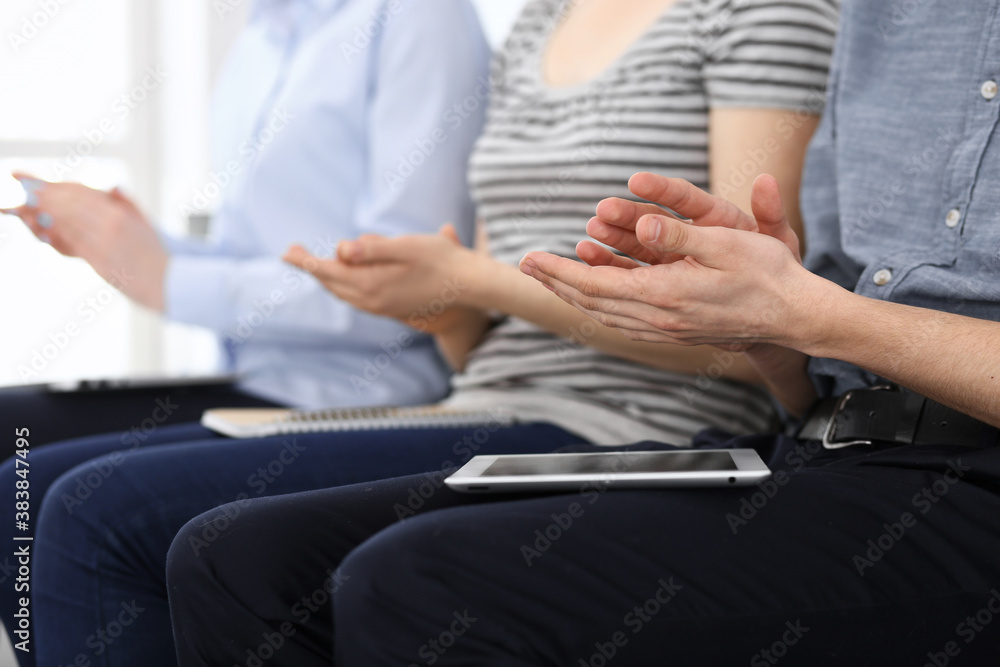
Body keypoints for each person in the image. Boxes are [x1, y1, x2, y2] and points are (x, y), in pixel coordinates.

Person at [166, 1, 1000, 665]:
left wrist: (806, 313)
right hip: (823, 445)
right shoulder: (881, 17)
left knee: (414, 583)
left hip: (954, 476)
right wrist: (772, 331)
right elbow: (801, 372)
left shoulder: (768, 15)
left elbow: (811, 322)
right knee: (234, 557)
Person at [7, 0, 837, 664]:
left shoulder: (762, 12)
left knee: (102, 513)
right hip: (487, 398)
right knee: (64, 496)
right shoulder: (545, 22)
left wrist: (468, 283)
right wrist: (436, 301)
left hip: (648, 428)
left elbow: (753, 334)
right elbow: (476, 327)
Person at [0, 0, 489, 449]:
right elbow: (253, 256)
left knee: (57, 489)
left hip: (353, 400)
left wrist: (168, 279)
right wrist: (127, 246)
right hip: (243, 382)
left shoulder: (419, 16)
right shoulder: (261, 33)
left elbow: (405, 291)